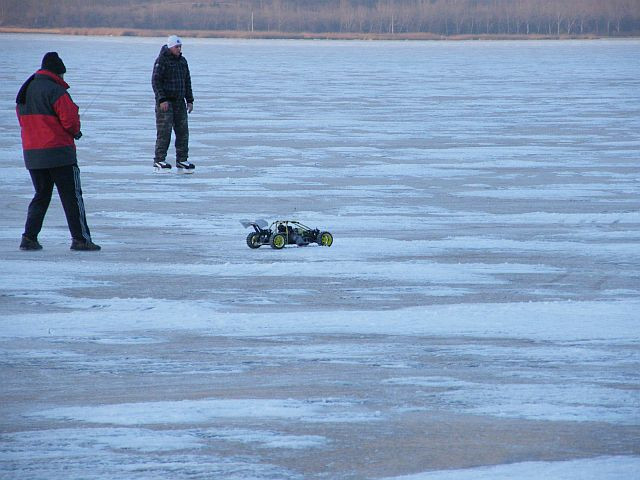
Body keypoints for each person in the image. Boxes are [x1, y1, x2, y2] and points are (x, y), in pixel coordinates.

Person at [16, 52, 100, 252]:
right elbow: (70, 121)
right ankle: (80, 239)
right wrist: (76, 132)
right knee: (72, 197)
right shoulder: (57, 91)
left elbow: (23, 120)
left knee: (41, 195)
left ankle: (29, 237)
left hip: (33, 155)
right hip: (59, 153)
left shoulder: (25, 90)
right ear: (58, 73)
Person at [152, 35, 195, 173]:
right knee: (164, 132)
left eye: (180, 46)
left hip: (179, 102)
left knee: (183, 132)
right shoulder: (162, 61)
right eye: (176, 47)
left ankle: (182, 159)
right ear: (170, 47)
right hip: (166, 103)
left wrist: (189, 100)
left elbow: (187, 81)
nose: (179, 49)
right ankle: (159, 159)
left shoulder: (182, 62)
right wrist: (161, 99)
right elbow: (156, 81)